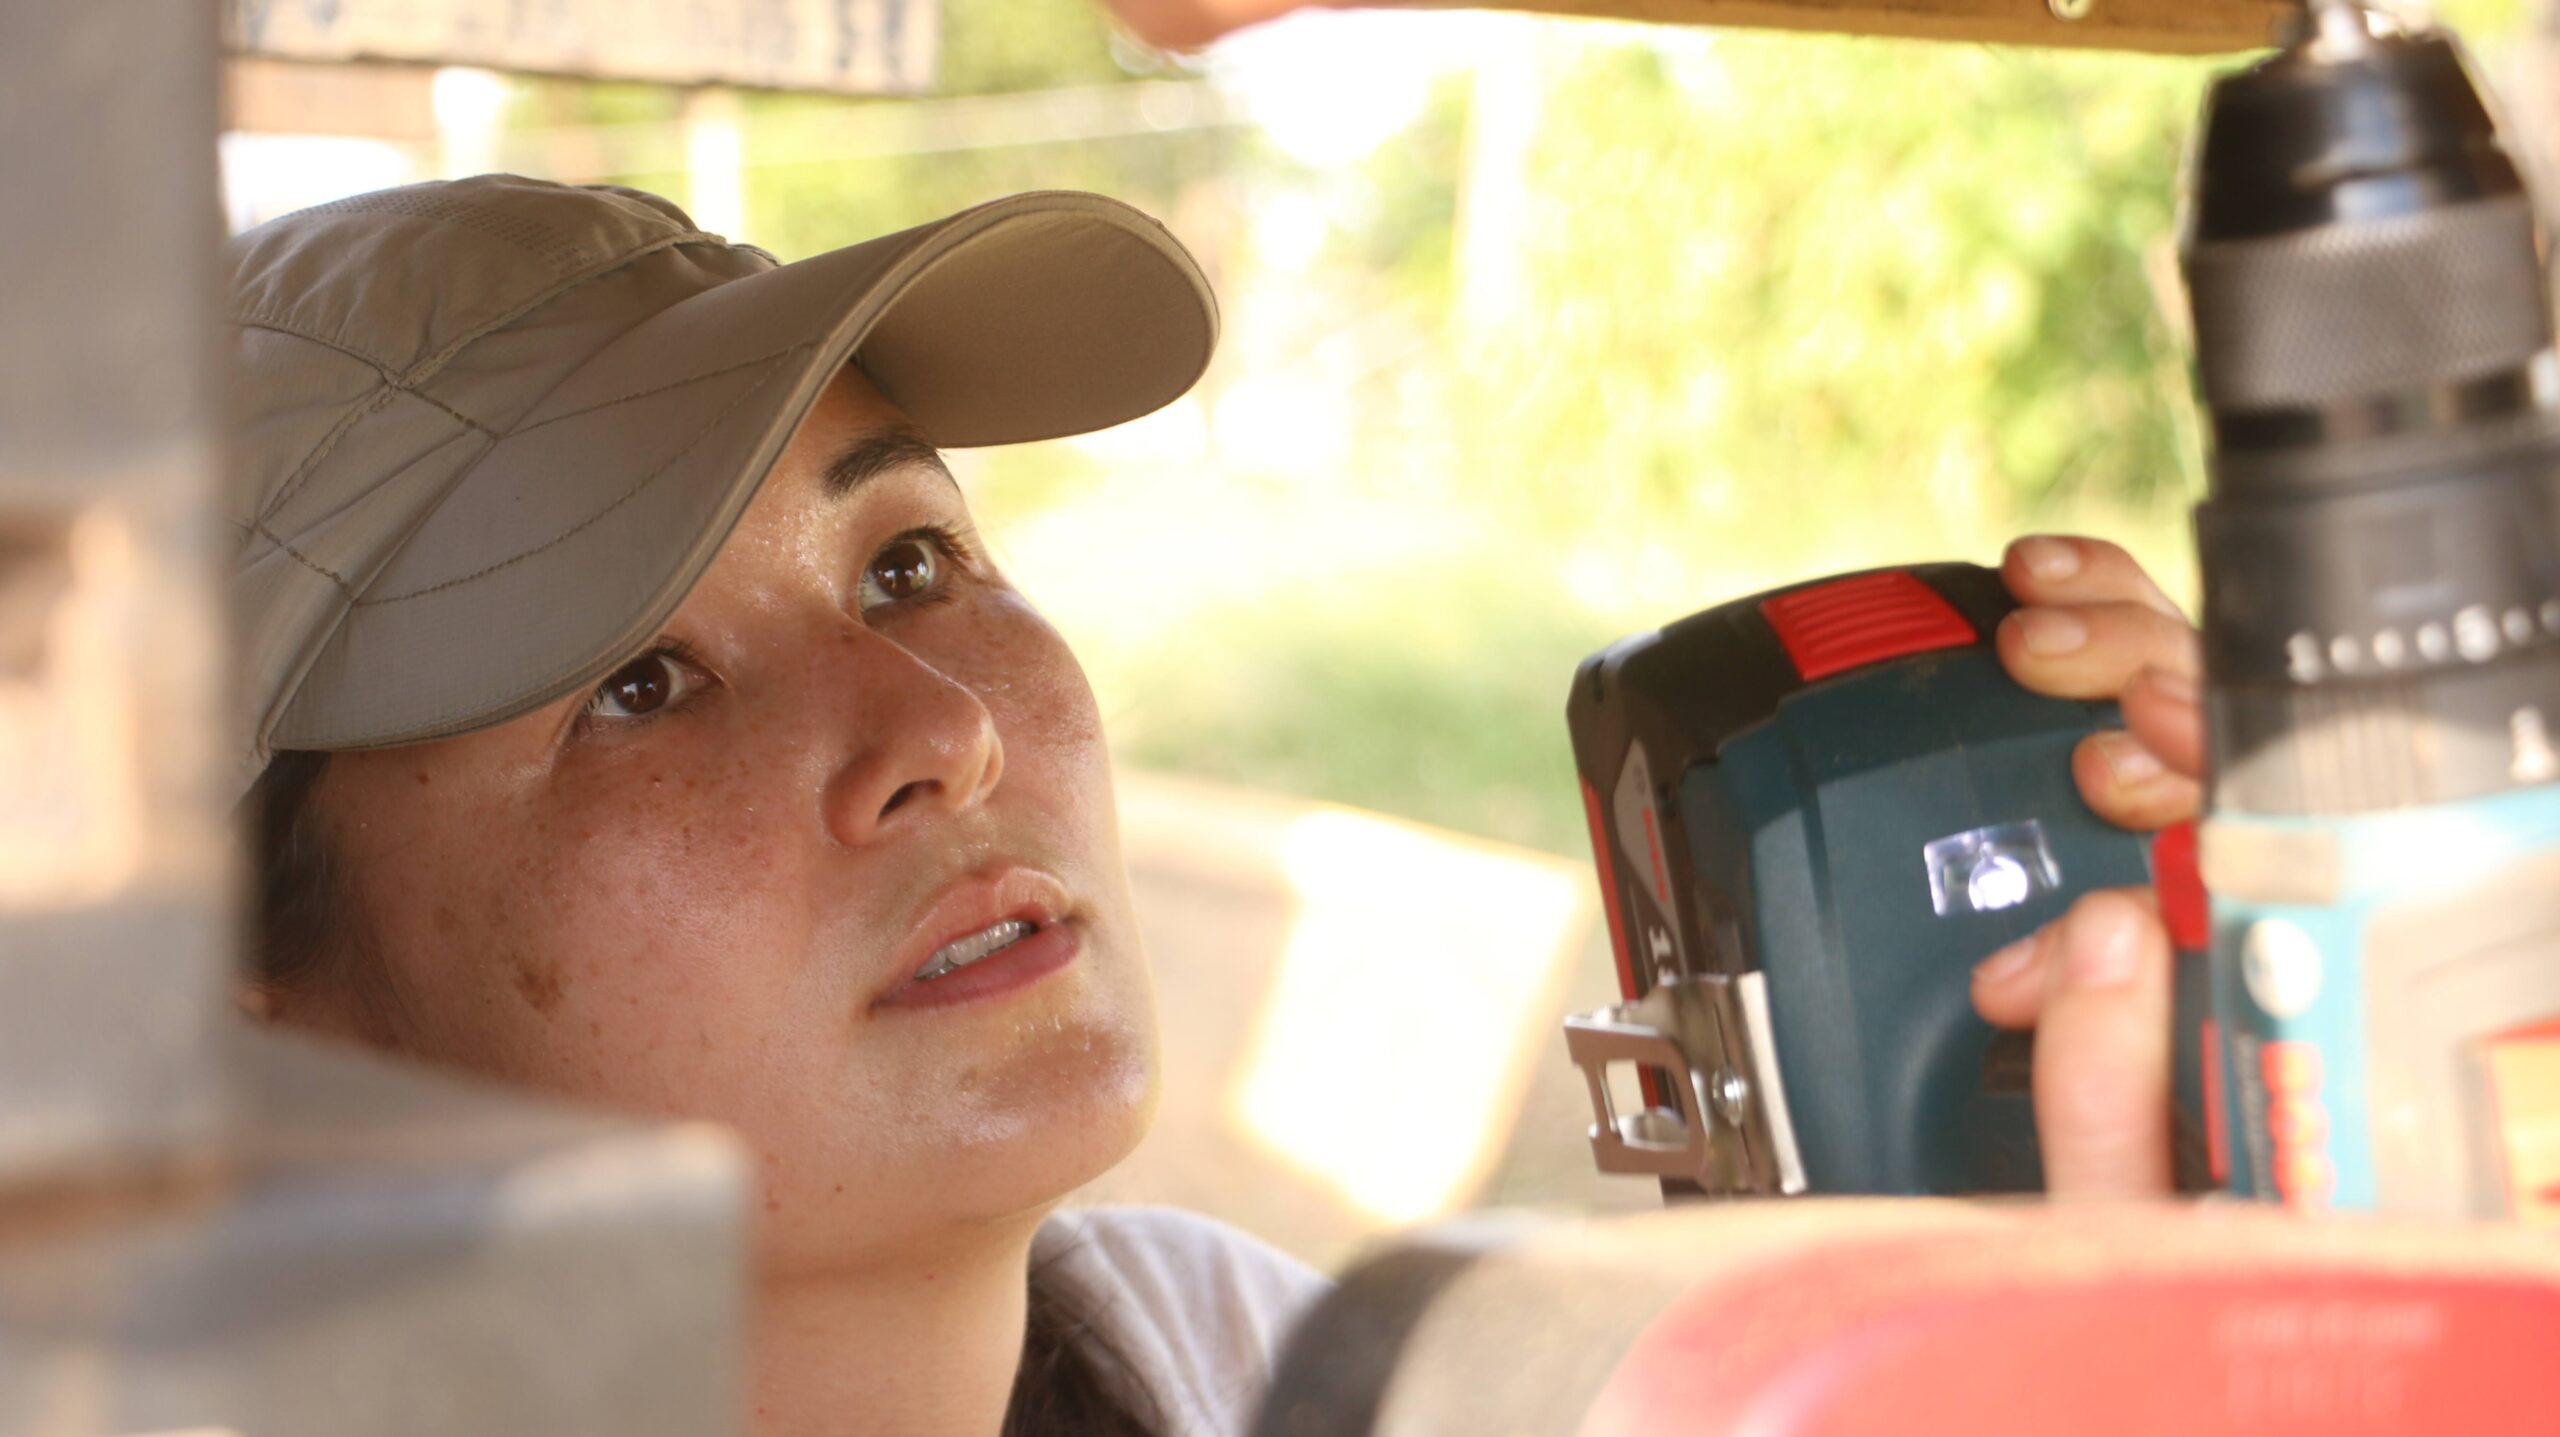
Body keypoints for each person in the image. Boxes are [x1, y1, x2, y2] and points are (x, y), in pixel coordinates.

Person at [224, 173, 2190, 1437]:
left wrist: (2176, 1170)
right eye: (637, 685)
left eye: (906, 562)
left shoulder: (1260, 1370)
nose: (937, 729)